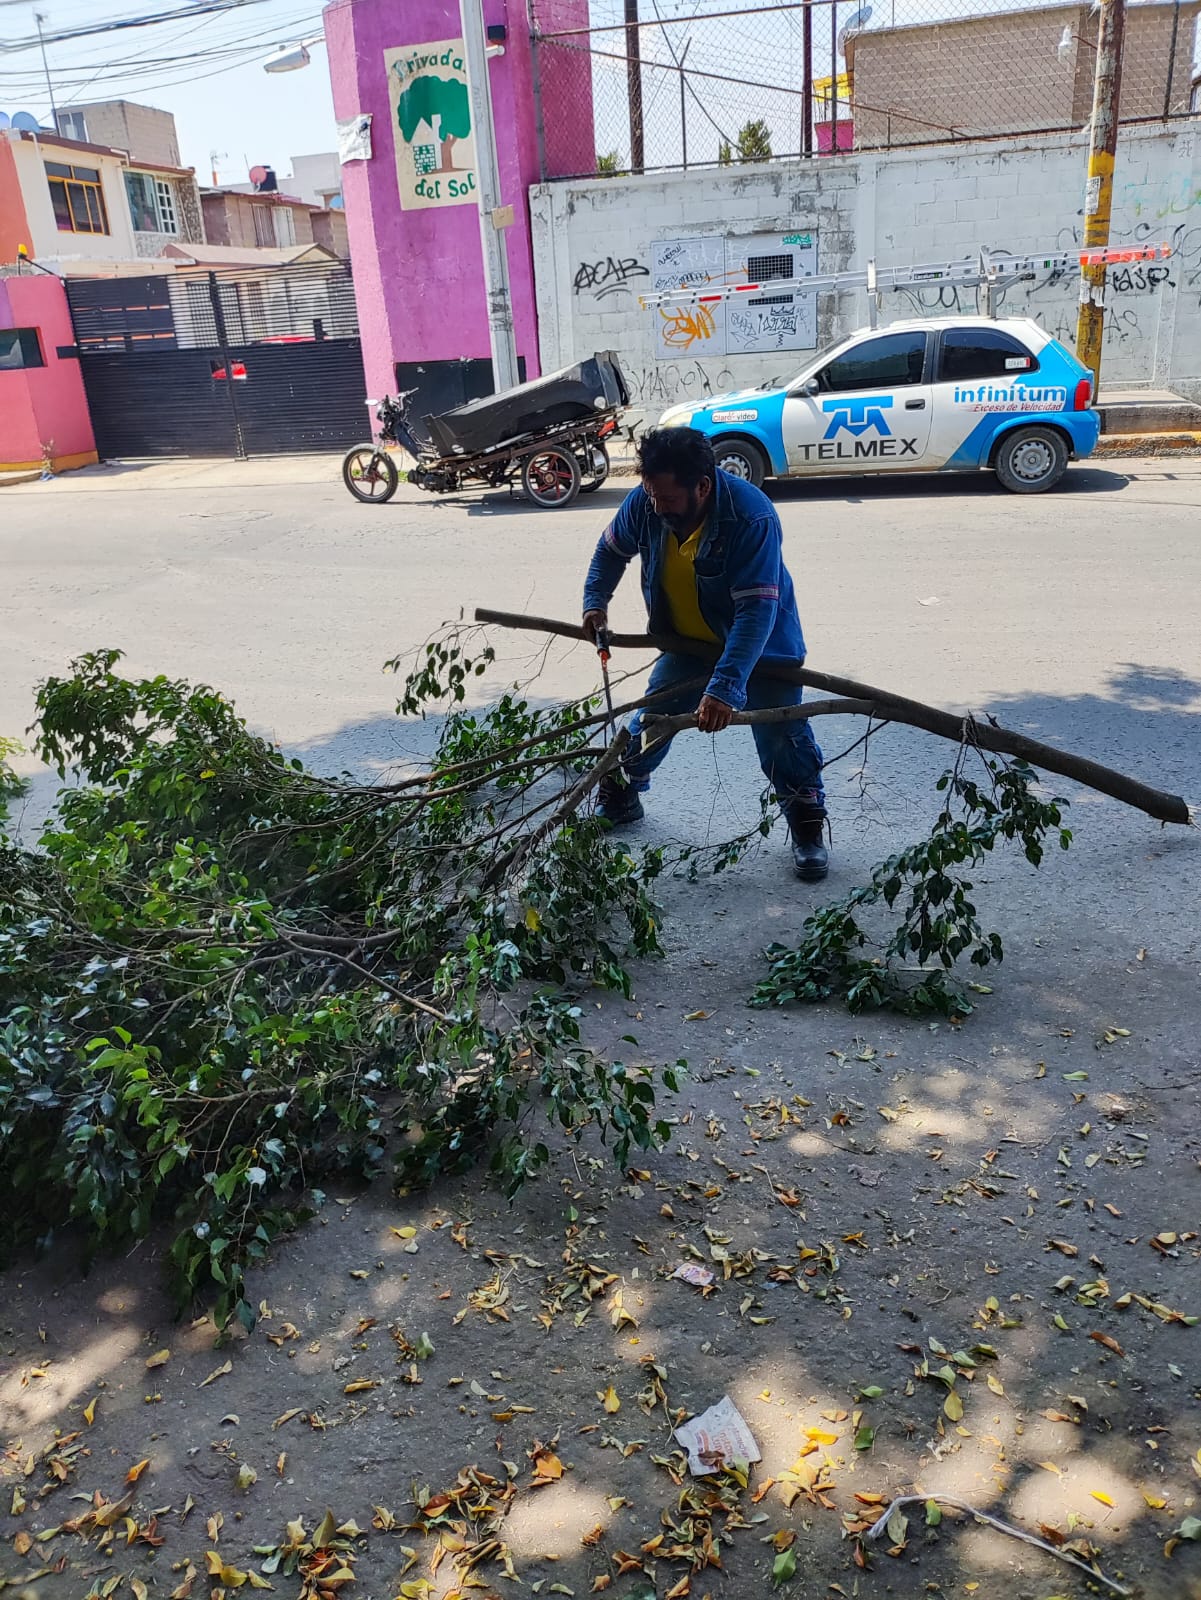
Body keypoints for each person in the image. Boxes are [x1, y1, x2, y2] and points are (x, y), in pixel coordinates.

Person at [581, 426, 828, 882]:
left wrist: (725, 688)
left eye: (668, 499)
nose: (657, 508)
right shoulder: (647, 501)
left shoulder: (752, 518)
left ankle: (807, 825)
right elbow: (610, 551)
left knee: (780, 735)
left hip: (763, 647)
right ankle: (623, 794)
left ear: (703, 486)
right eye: (651, 495)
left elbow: (756, 612)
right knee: (653, 718)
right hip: (689, 644)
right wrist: (595, 602)